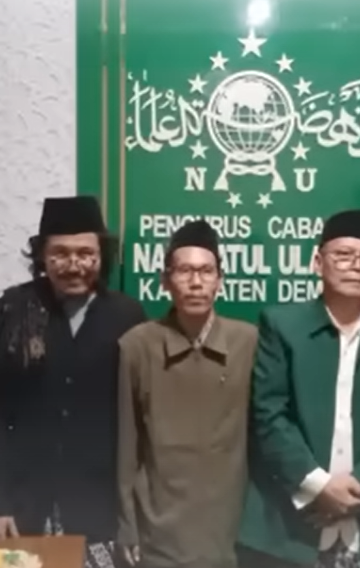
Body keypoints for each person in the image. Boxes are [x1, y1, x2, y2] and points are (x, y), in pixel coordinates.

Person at [237, 209, 360, 568]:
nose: (356, 266)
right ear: (317, 262)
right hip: (289, 526)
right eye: (343, 255)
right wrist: (318, 486)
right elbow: (269, 413)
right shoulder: (282, 326)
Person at [0, 196, 145, 568]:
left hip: (100, 507)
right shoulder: (11, 311)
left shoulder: (127, 316)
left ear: (101, 255)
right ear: (42, 256)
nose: (74, 265)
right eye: (60, 254)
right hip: (24, 505)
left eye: (86, 254)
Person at [116, 220, 257, 568]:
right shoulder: (137, 346)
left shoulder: (248, 343)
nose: (196, 283)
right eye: (184, 271)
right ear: (165, 281)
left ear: (220, 280)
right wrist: (127, 524)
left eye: (206, 272)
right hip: (159, 533)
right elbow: (126, 446)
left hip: (230, 531)